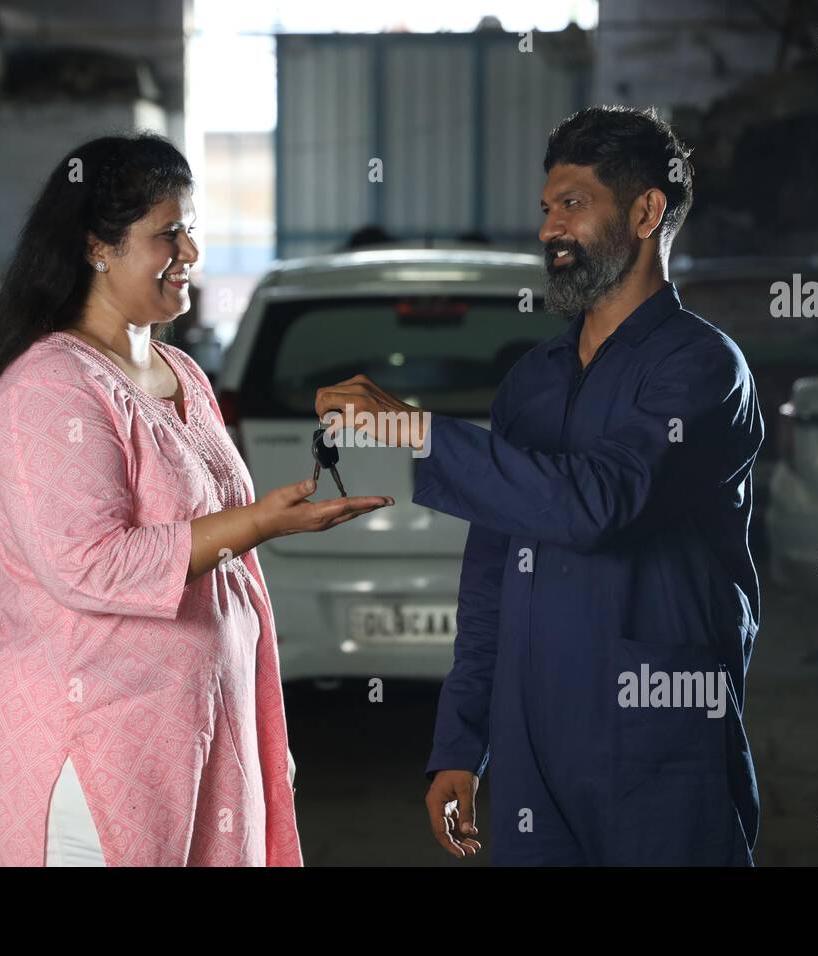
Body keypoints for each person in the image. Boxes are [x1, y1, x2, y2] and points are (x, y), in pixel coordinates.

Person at [316, 106, 764, 866]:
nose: (550, 229)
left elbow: (598, 503)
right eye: (547, 209)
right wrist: (461, 743)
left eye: (574, 205)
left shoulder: (702, 369)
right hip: (531, 748)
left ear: (647, 212)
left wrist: (414, 431)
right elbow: (490, 577)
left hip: (656, 736)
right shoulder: (534, 382)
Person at [0, 133, 392, 866]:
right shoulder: (51, 389)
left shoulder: (182, 371)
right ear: (97, 249)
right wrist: (258, 523)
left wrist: (263, 524)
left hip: (198, 737)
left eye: (191, 229)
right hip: (95, 756)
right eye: (166, 234)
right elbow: (87, 564)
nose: (189, 252)